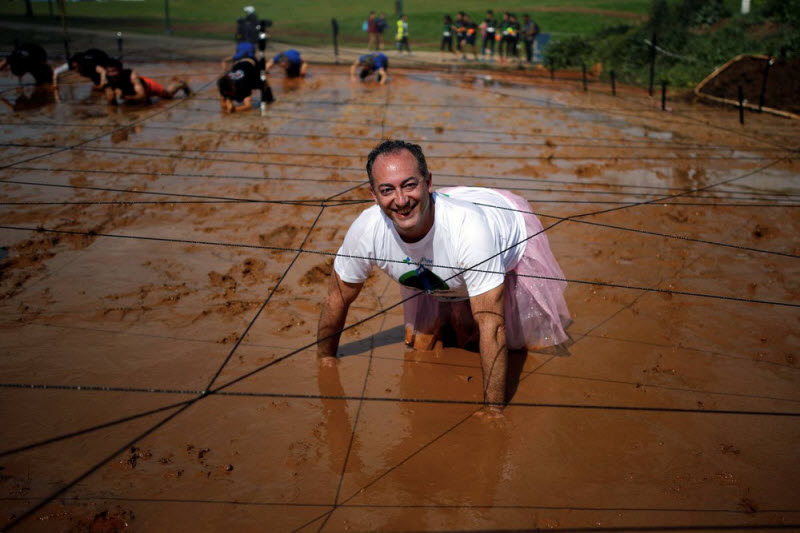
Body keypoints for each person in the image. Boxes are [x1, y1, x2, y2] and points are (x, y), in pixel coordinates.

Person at [317, 140, 571, 419]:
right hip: (442, 255)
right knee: (430, 334)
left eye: (409, 185)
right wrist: (325, 358)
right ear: (373, 195)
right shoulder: (366, 230)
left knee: (521, 342)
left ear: (428, 182)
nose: (401, 201)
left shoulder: (471, 231)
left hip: (504, 225)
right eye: (387, 190)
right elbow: (337, 297)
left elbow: (492, 325)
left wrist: (493, 409)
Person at [104, 58, 191, 105]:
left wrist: (124, 96)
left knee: (169, 95)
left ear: (120, 70)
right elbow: (112, 103)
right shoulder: (107, 78)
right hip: (131, 91)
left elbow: (143, 96)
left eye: (114, 71)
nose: (111, 74)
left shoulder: (132, 76)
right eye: (109, 72)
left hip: (148, 87)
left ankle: (180, 84)